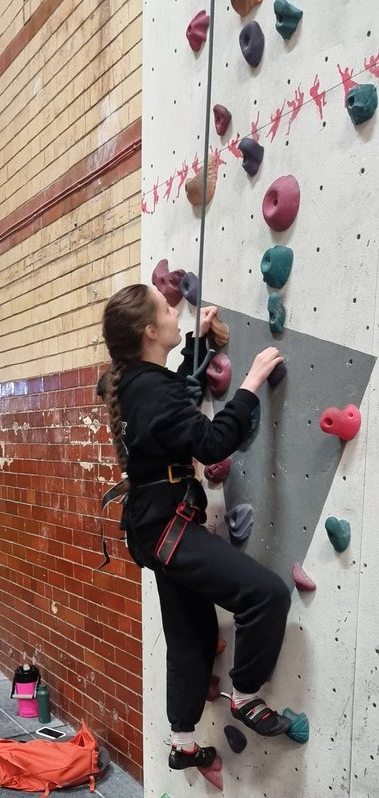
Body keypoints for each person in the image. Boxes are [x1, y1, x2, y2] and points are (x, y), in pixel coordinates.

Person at [100, 283, 292, 770]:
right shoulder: (149, 387)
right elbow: (209, 441)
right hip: (166, 526)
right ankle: (246, 696)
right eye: (167, 310)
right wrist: (250, 383)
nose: (174, 312)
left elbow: (174, 405)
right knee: (266, 594)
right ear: (148, 330)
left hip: (154, 524)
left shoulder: (138, 382)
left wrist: (196, 344)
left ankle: (183, 742)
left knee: (192, 635)